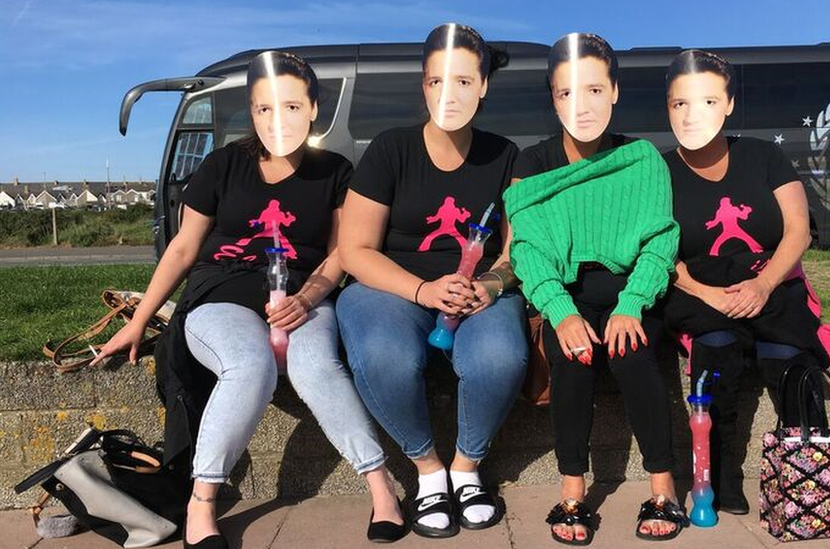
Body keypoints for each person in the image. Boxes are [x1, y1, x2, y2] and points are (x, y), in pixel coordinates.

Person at [94, 51, 405, 547]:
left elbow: (340, 254)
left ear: (313, 107)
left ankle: (381, 488)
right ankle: (203, 501)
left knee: (317, 367)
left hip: (303, 295)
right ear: (252, 112)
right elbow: (182, 248)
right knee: (249, 365)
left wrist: (306, 298)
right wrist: (140, 319)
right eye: (263, 109)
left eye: (289, 106)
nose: (275, 120)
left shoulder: (335, 171)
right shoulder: (223, 165)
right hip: (221, 294)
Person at [336, 23, 527, 539]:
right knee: (384, 357)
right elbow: (355, 250)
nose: (450, 92)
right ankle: (428, 472)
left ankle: (467, 469)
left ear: (484, 85)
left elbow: (517, 250)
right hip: (392, 288)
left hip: (475, 290)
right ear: (423, 86)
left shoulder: (505, 155)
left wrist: (491, 284)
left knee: (501, 356)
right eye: (437, 81)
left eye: (464, 81)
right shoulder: (391, 149)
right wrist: (422, 291)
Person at [507, 33, 686, 544]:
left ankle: (663, 486)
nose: (579, 105)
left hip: (632, 290)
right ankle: (572, 489)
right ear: (552, 100)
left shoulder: (642, 158)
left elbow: (660, 240)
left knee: (633, 354)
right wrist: (561, 312)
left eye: (592, 90)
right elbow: (528, 251)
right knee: (573, 356)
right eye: (565, 93)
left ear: (614, 92)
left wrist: (632, 304)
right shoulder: (533, 163)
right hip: (566, 292)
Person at [661, 49, 829, 515]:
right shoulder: (660, 171)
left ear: (729, 103)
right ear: (669, 108)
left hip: (767, 282)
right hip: (699, 289)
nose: (693, 113)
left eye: (709, 101)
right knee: (715, 353)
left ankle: (814, 475)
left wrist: (764, 285)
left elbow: (798, 230)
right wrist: (707, 292)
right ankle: (715, 480)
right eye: (680, 104)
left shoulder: (763, 155)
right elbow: (657, 251)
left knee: (788, 357)